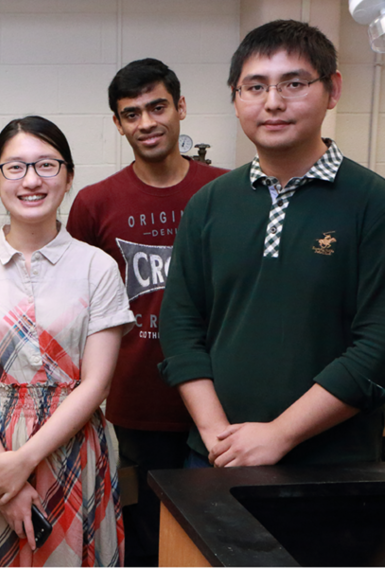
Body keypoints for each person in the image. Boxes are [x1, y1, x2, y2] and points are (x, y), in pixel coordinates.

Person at [160, 19, 385, 469]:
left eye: (294, 83)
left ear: (333, 89)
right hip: (215, 456)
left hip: (334, 466)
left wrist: (280, 435)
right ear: (235, 97)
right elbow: (181, 326)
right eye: (255, 87)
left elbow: (376, 343)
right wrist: (218, 438)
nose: (273, 103)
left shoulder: (372, 202)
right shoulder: (209, 203)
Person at [0, 116, 135, 566]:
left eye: (47, 165)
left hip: (72, 447)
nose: (31, 180)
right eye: (15, 168)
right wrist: (3, 474)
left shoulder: (98, 268)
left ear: (68, 177)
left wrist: (23, 460)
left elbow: (95, 384)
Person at [66, 59, 226, 566]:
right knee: (145, 535)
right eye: (131, 114)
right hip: (137, 402)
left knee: (218, 533)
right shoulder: (95, 203)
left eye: (157, 107)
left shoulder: (229, 190)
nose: (146, 123)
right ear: (118, 124)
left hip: (223, 398)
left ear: (180, 108)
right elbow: (76, 308)